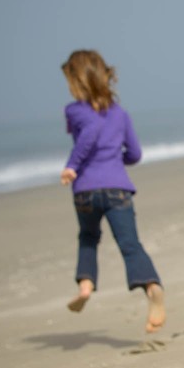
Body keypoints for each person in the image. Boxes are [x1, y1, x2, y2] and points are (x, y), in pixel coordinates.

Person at [60, 49, 166, 333]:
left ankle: (85, 285)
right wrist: (118, 162)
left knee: (88, 238)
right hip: (117, 187)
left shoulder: (74, 111)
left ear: (76, 80)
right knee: (130, 245)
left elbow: (88, 133)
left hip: (85, 190)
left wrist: (73, 165)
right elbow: (135, 152)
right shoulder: (120, 113)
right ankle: (151, 286)